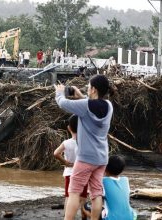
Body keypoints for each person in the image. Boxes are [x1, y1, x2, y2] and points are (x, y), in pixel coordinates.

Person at [54, 74, 114, 220]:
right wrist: (81, 95)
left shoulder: (85, 106)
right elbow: (91, 105)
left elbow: (63, 103)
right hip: (101, 158)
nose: (87, 88)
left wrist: (59, 92)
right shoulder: (109, 106)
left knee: (74, 192)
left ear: (93, 89)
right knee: (96, 193)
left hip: (85, 158)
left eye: (88, 86)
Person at [54, 115, 88, 220]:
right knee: (83, 197)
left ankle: (67, 216)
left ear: (69, 128)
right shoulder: (86, 142)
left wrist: (65, 162)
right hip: (83, 173)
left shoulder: (66, 143)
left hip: (69, 172)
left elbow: (56, 153)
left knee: (68, 196)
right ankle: (83, 215)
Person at [101, 155, 137, 220]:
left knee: (88, 207)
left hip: (112, 218)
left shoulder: (103, 181)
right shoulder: (125, 180)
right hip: (130, 217)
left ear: (106, 168)